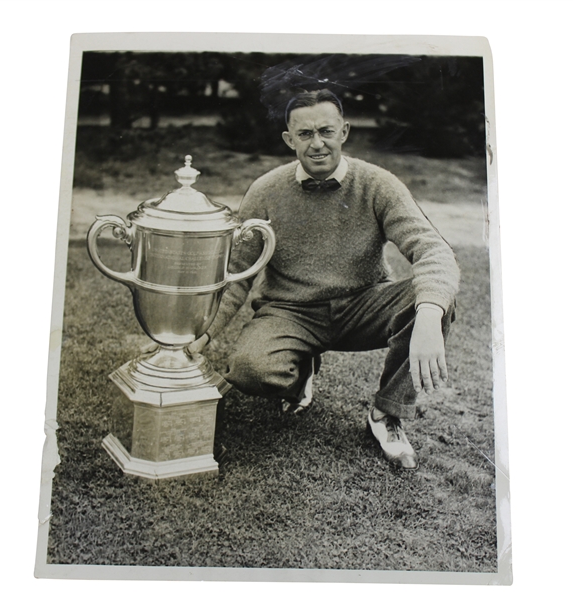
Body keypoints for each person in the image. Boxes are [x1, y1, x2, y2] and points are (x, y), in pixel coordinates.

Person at [190, 89, 459, 470]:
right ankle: (300, 368)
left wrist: (430, 314)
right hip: (290, 311)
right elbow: (237, 275)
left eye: (326, 131)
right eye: (305, 134)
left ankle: (386, 415)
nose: (317, 143)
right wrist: (203, 334)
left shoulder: (378, 184)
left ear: (344, 131)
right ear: (289, 139)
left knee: (435, 298)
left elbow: (433, 249)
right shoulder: (264, 190)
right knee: (249, 371)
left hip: (362, 305)